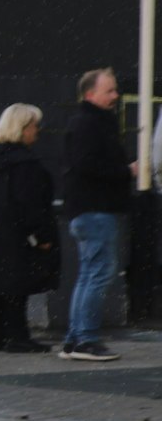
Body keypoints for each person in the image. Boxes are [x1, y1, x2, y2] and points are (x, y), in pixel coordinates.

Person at [0, 104, 59, 353]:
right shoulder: (26, 164)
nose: (37, 131)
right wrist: (42, 235)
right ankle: (17, 335)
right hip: (18, 235)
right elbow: (31, 204)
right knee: (17, 285)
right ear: (22, 129)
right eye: (34, 126)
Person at [61, 68, 133, 362]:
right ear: (90, 94)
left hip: (86, 209)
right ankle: (86, 339)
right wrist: (126, 171)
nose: (115, 95)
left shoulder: (84, 123)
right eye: (109, 91)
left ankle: (75, 338)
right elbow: (87, 165)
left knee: (89, 274)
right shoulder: (90, 125)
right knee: (99, 273)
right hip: (96, 210)